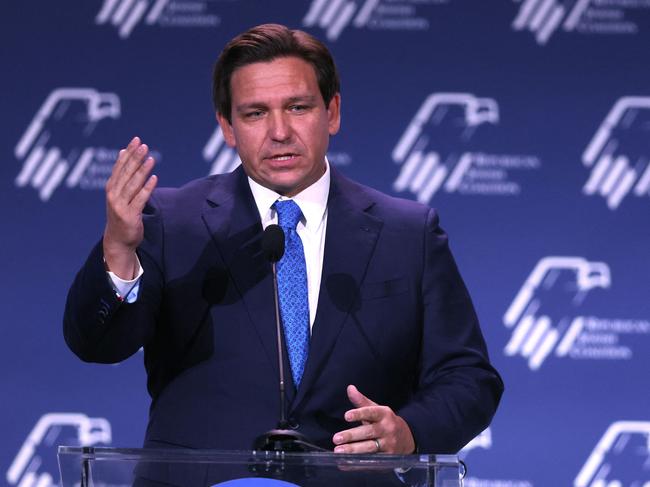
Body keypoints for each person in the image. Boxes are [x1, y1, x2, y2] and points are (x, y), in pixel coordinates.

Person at [64, 23, 503, 456]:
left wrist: (408, 433)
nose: (279, 132)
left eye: (297, 107)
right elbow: (96, 344)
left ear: (331, 112)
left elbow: (468, 378)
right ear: (227, 127)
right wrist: (118, 250)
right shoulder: (170, 222)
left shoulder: (408, 234)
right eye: (255, 113)